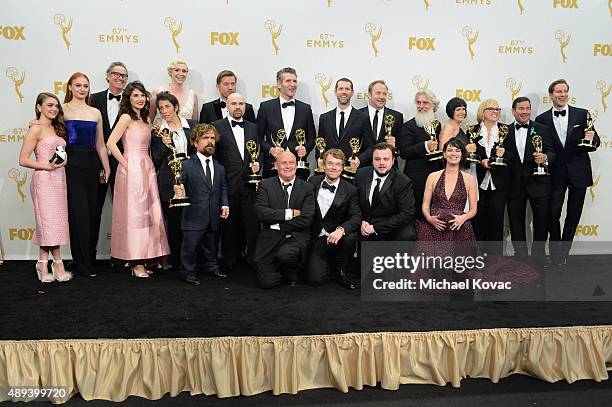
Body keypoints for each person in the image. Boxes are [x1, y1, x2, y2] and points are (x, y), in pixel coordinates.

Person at [106, 81, 170, 277]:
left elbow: (150, 148)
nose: (140, 99)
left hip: (147, 166)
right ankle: (135, 262)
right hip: (131, 169)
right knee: (134, 214)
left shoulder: (147, 120)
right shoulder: (125, 117)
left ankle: (148, 255)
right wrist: (126, 164)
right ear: (128, 98)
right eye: (135, 95)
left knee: (149, 213)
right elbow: (110, 143)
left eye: (142, 95)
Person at [535, 79, 600, 268]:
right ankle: (555, 252)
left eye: (565, 91)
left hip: (579, 172)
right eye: (558, 92)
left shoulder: (582, 115)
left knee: (573, 215)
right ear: (551, 95)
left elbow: (594, 141)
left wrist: (592, 138)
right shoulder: (542, 120)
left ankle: (562, 254)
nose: (562, 95)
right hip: (555, 173)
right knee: (552, 214)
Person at [62, 72, 111, 278]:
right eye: (78, 85)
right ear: (70, 87)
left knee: (92, 212)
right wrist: (34, 123)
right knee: (78, 213)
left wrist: (106, 167)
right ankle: (82, 263)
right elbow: (48, 129)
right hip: (71, 164)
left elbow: (100, 144)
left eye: (86, 86)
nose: (82, 89)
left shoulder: (95, 112)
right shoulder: (62, 109)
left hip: (93, 164)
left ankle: (88, 259)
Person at [19, 93, 71, 282]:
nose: (54, 109)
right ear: (39, 107)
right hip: (43, 180)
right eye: (49, 105)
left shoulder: (56, 128)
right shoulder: (36, 129)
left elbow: (59, 151)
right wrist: (46, 166)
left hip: (59, 179)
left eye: (56, 106)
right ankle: (57, 263)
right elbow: (23, 160)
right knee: (47, 223)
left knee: (53, 224)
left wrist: (63, 159)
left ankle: (42, 262)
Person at [173, 124, 229, 285]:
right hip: (193, 215)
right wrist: (178, 191)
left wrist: (225, 205)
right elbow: (179, 184)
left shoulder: (219, 167)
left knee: (211, 245)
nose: (210, 141)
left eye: (212, 138)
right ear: (195, 142)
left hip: (213, 214)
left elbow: (223, 188)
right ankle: (187, 272)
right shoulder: (186, 164)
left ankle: (211, 267)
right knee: (189, 248)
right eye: (205, 138)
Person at [211, 93, 261, 272]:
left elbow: (259, 154)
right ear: (227, 106)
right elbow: (214, 158)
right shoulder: (216, 127)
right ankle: (229, 261)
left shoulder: (254, 128)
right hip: (228, 185)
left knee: (252, 225)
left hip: (250, 185)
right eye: (234, 103)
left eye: (241, 103)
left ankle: (254, 261)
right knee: (229, 226)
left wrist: (258, 166)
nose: (238, 106)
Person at [254, 151, 315, 288]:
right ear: (276, 166)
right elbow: (261, 213)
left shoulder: (307, 188)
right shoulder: (265, 185)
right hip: (270, 238)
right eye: (284, 163)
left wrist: (278, 225)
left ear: (296, 165)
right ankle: (280, 270)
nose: (288, 166)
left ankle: (292, 271)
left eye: (291, 163)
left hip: (295, 236)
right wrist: (289, 213)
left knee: (286, 255)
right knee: (267, 283)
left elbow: (306, 219)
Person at [150, 91, 197, 270]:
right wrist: (163, 142)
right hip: (169, 183)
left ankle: (192, 260)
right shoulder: (157, 131)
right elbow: (155, 159)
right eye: (161, 108)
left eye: (167, 106)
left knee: (192, 221)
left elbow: (197, 153)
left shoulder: (192, 125)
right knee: (174, 223)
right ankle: (176, 262)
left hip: (192, 181)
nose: (164, 111)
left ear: (176, 107)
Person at [506, 97, 555, 261]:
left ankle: (538, 256)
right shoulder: (504, 131)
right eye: (521, 108)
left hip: (539, 183)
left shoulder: (541, 129)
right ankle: (520, 258)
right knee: (516, 223)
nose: (525, 111)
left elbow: (552, 152)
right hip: (513, 185)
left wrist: (545, 157)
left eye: (528, 108)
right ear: (513, 111)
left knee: (541, 222)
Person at [90, 62, 128, 268]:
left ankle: (121, 256)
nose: (120, 78)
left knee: (123, 210)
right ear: (107, 76)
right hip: (97, 163)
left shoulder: (131, 102)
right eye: (116, 74)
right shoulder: (93, 99)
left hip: (123, 163)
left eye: (124, 76)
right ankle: (89, 255)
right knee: (94, 209)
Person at [307, 149, 361, 289]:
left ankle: (342, 271)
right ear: (323, 165)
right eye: (330, 163)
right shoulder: (312, 181)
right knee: (315, 280)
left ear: (343, 167)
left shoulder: (350, 189)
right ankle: (328, 264)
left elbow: (356, 217)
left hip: (337, 237)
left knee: (350, 236)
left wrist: (341, 229)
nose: (333, 167)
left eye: (338, 164)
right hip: (317, 236)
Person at [472, 99, 514, 256]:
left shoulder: (506, 130)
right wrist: (480, 161)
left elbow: (514, 155)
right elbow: (469, 155)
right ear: (483, 111)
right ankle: (476, 257)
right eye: (491, 108)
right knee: (478, 220)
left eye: (498, 109)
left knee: (497, 222)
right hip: (478, 183)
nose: (495, 111)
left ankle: (495, 259)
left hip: (499, 184)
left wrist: (505, 155)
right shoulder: (473, 130)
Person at [257, 67, 316, 177]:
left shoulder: (305, 109)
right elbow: (257, 137)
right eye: (288, 81)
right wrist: (271, 150)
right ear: (279, 85)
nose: (293, 84)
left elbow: (312, 138)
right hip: (272, 167)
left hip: (299, 168)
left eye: (294, 81)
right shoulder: (266, 107)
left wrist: (306, 148)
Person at [417, 138, 478, 242]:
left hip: (458, 225)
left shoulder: (470, 179)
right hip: (435, 225)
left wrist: (463, 218)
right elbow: (425, 205)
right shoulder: (432, 176)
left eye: (457, 150)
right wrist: (429, 218)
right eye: (449, 150)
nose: (453, 153)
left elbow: (473, 210)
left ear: (462, 155)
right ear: (444, 154)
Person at [354, 142, 416, 241]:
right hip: (365, 224)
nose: (381, 163)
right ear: (372, 160)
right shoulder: (361, 174)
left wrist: (375, 228)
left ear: (393, 160)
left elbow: (407, 214)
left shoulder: (403, 181)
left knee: (407, 234)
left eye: (386, 159)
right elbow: (354, 203)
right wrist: (360, 221)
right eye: (377, 159)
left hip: (390, 225)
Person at [398, 90, 444, 218]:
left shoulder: (437, 125)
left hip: (435, 177)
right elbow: (404, 152)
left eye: (425, 103)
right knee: (418, 214)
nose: (421, 106)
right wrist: (425, 146)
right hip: (416, 180)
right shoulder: (408, 126)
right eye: (418, 103)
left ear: (433, 105)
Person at [318, 78, 375, 173]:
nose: (343, 92)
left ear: (352, 92)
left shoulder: (363, 118)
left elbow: (370, 147)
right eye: (340, 89)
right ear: (335, 92)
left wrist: (359, 159)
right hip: (329, 171)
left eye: (347, 89)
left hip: (352, 172)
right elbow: (320, 144)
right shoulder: (324, 118)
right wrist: (319, 158)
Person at [358, 80, 403, 147]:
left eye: (384, 94)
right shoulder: (357, 115)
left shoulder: (397, 116)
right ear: (369, 95)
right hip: (362, 157)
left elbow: (402, 144)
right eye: (378, 93)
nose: (382, 97)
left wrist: (396, 143)